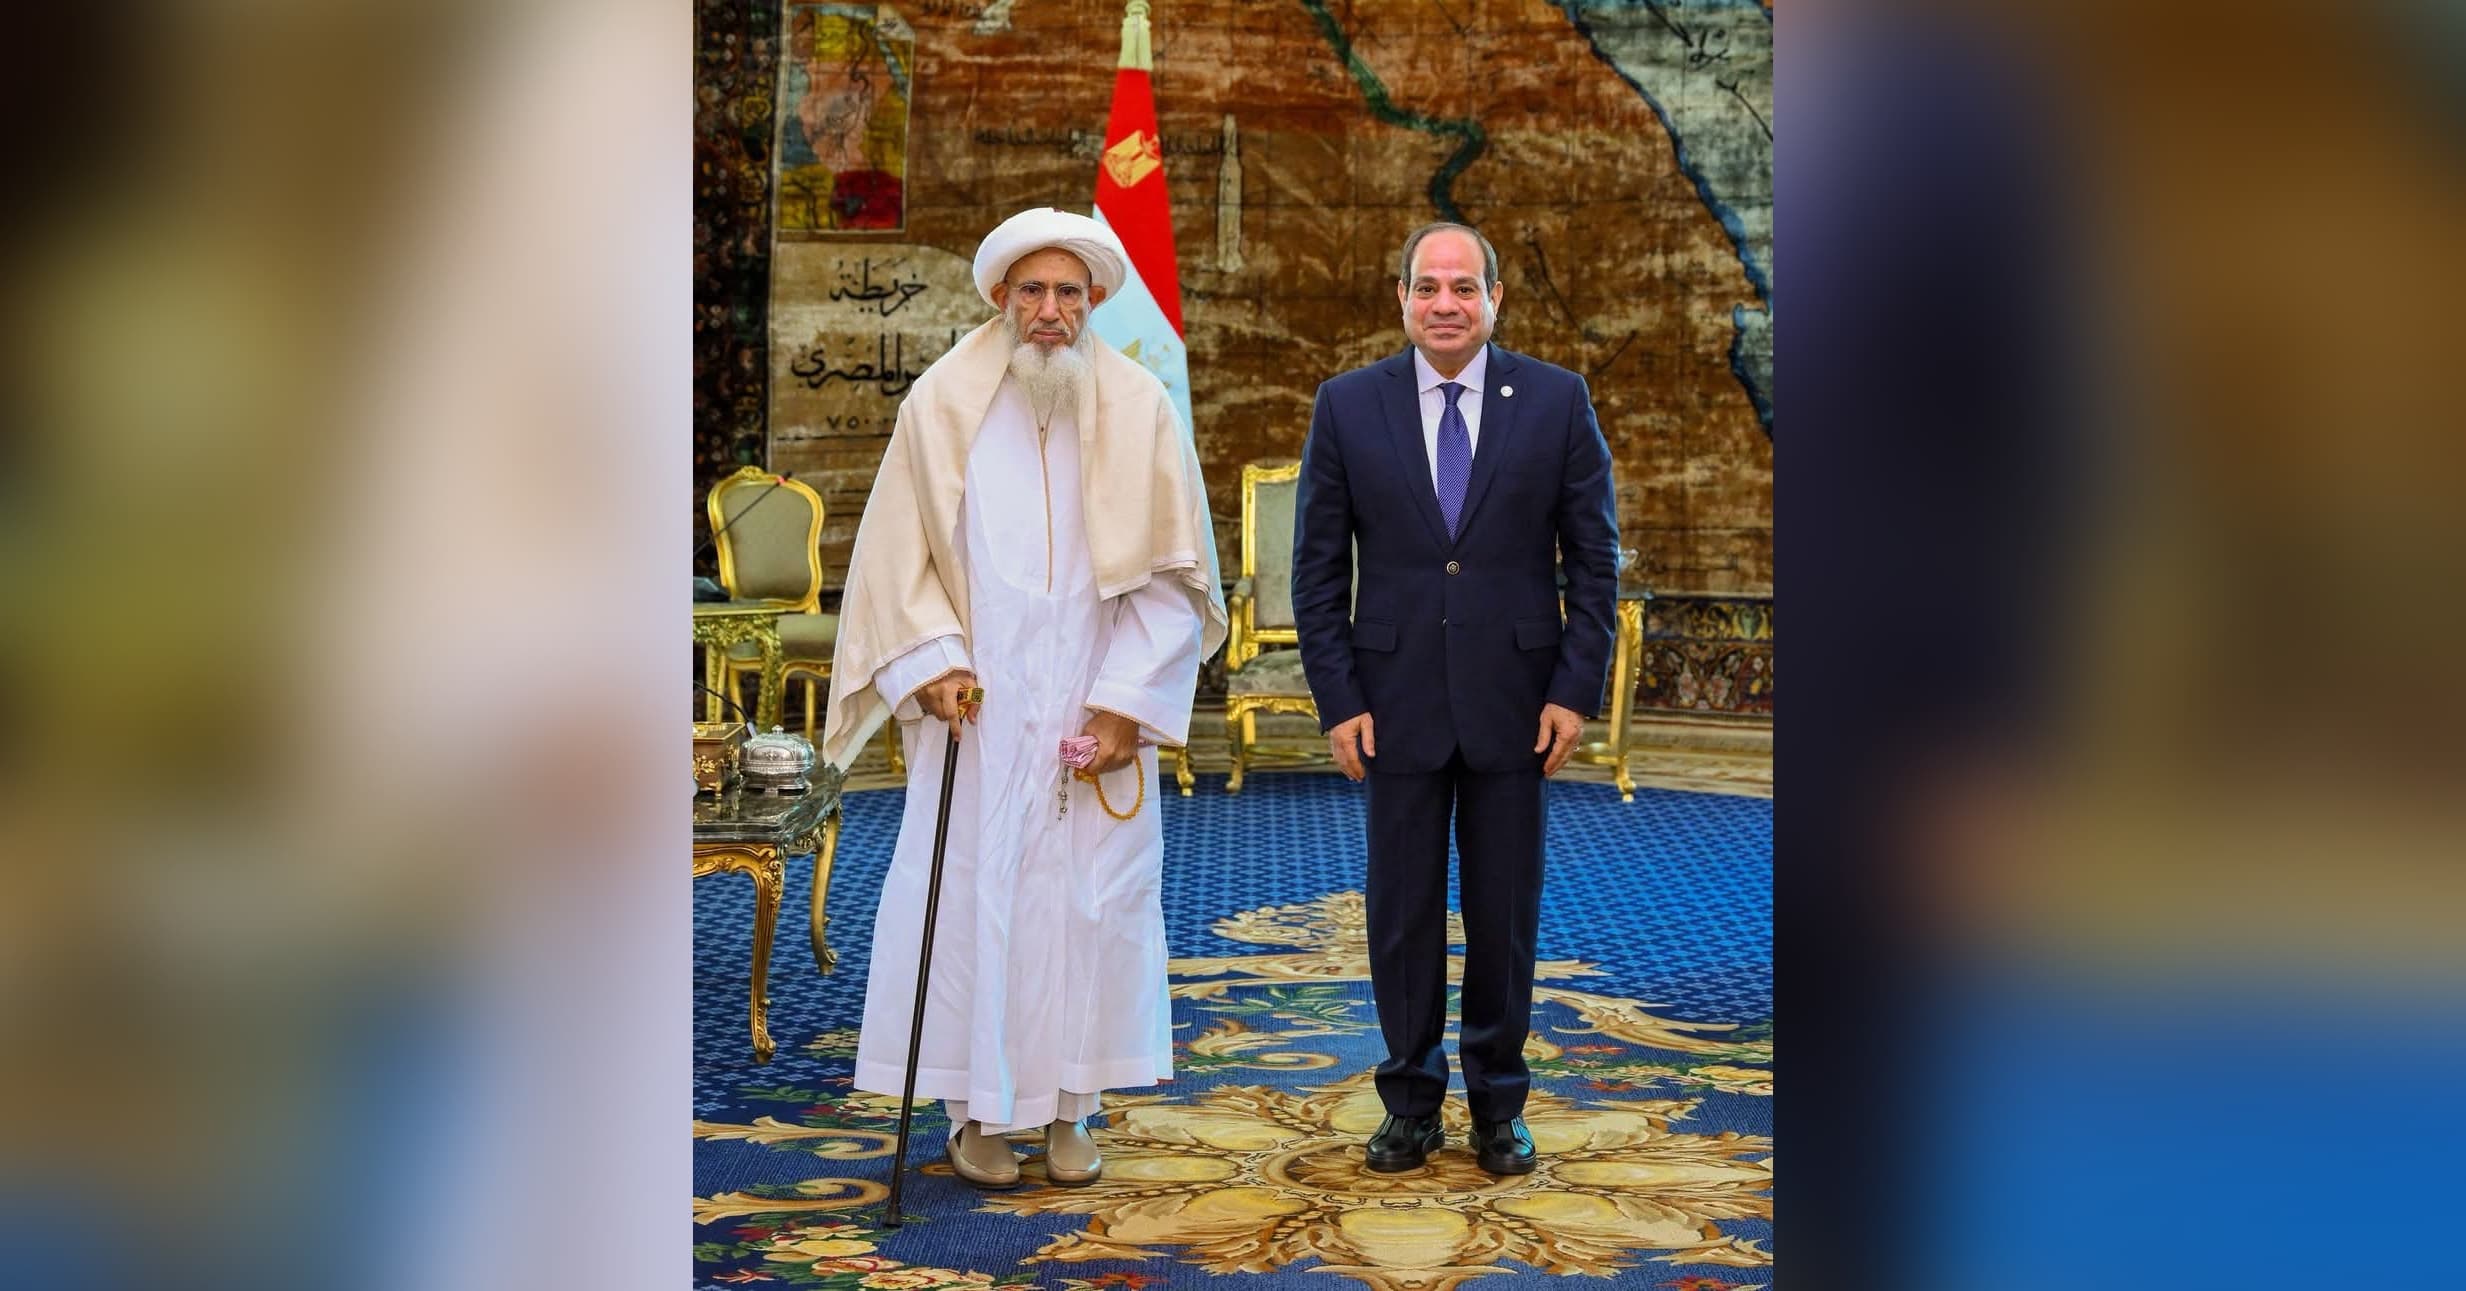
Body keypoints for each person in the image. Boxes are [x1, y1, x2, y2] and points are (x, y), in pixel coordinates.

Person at [820, 208, 1225, 1189]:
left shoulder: (1139, 408)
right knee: (977, 904)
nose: (1051, 311)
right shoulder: (940, 405)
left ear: (1095, 302)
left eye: (1069, 293)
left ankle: (1073, 1108)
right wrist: (934, 664)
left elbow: (1175, 580)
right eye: (1033, 291)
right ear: (1001, 297)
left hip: (1091, 710)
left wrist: (1124, 702)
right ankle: (976, 1114)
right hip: (982, 717)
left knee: (1091, 905)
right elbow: (895, 566)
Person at [1290, 221, 1618, 1175]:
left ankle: (1497, 1106)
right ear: (1401, 299)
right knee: (1401, 915)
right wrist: (1338, 697)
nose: (1445, 303)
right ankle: (1409, 1101)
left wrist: (1574, 690)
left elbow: (1594, 561)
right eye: (1428, 287)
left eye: (1464, 287)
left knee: (1505, 913)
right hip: (1389, 704)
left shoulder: (1557, 400)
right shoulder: (1347, 405)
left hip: (1519, 704)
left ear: (1495, 299)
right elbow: (1317, 571)